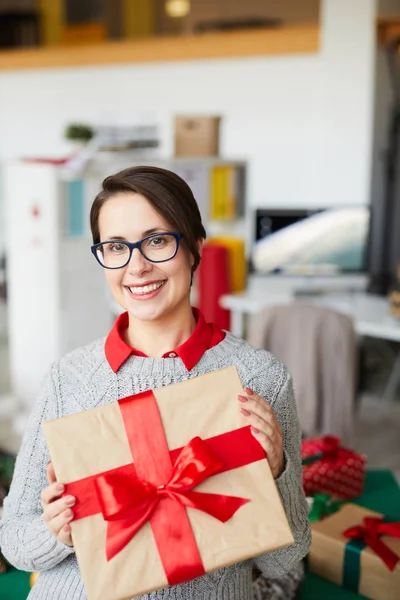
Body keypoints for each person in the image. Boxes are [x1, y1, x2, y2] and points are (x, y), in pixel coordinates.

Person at [0, 166, 310, 600]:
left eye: (157, 241)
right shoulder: (67, 380)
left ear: (195, 248)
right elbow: (12, 540)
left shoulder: (259, 379)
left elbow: (284, 560)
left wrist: (276, 472)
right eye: (115, 247)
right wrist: (58, 532)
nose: (137, 267)